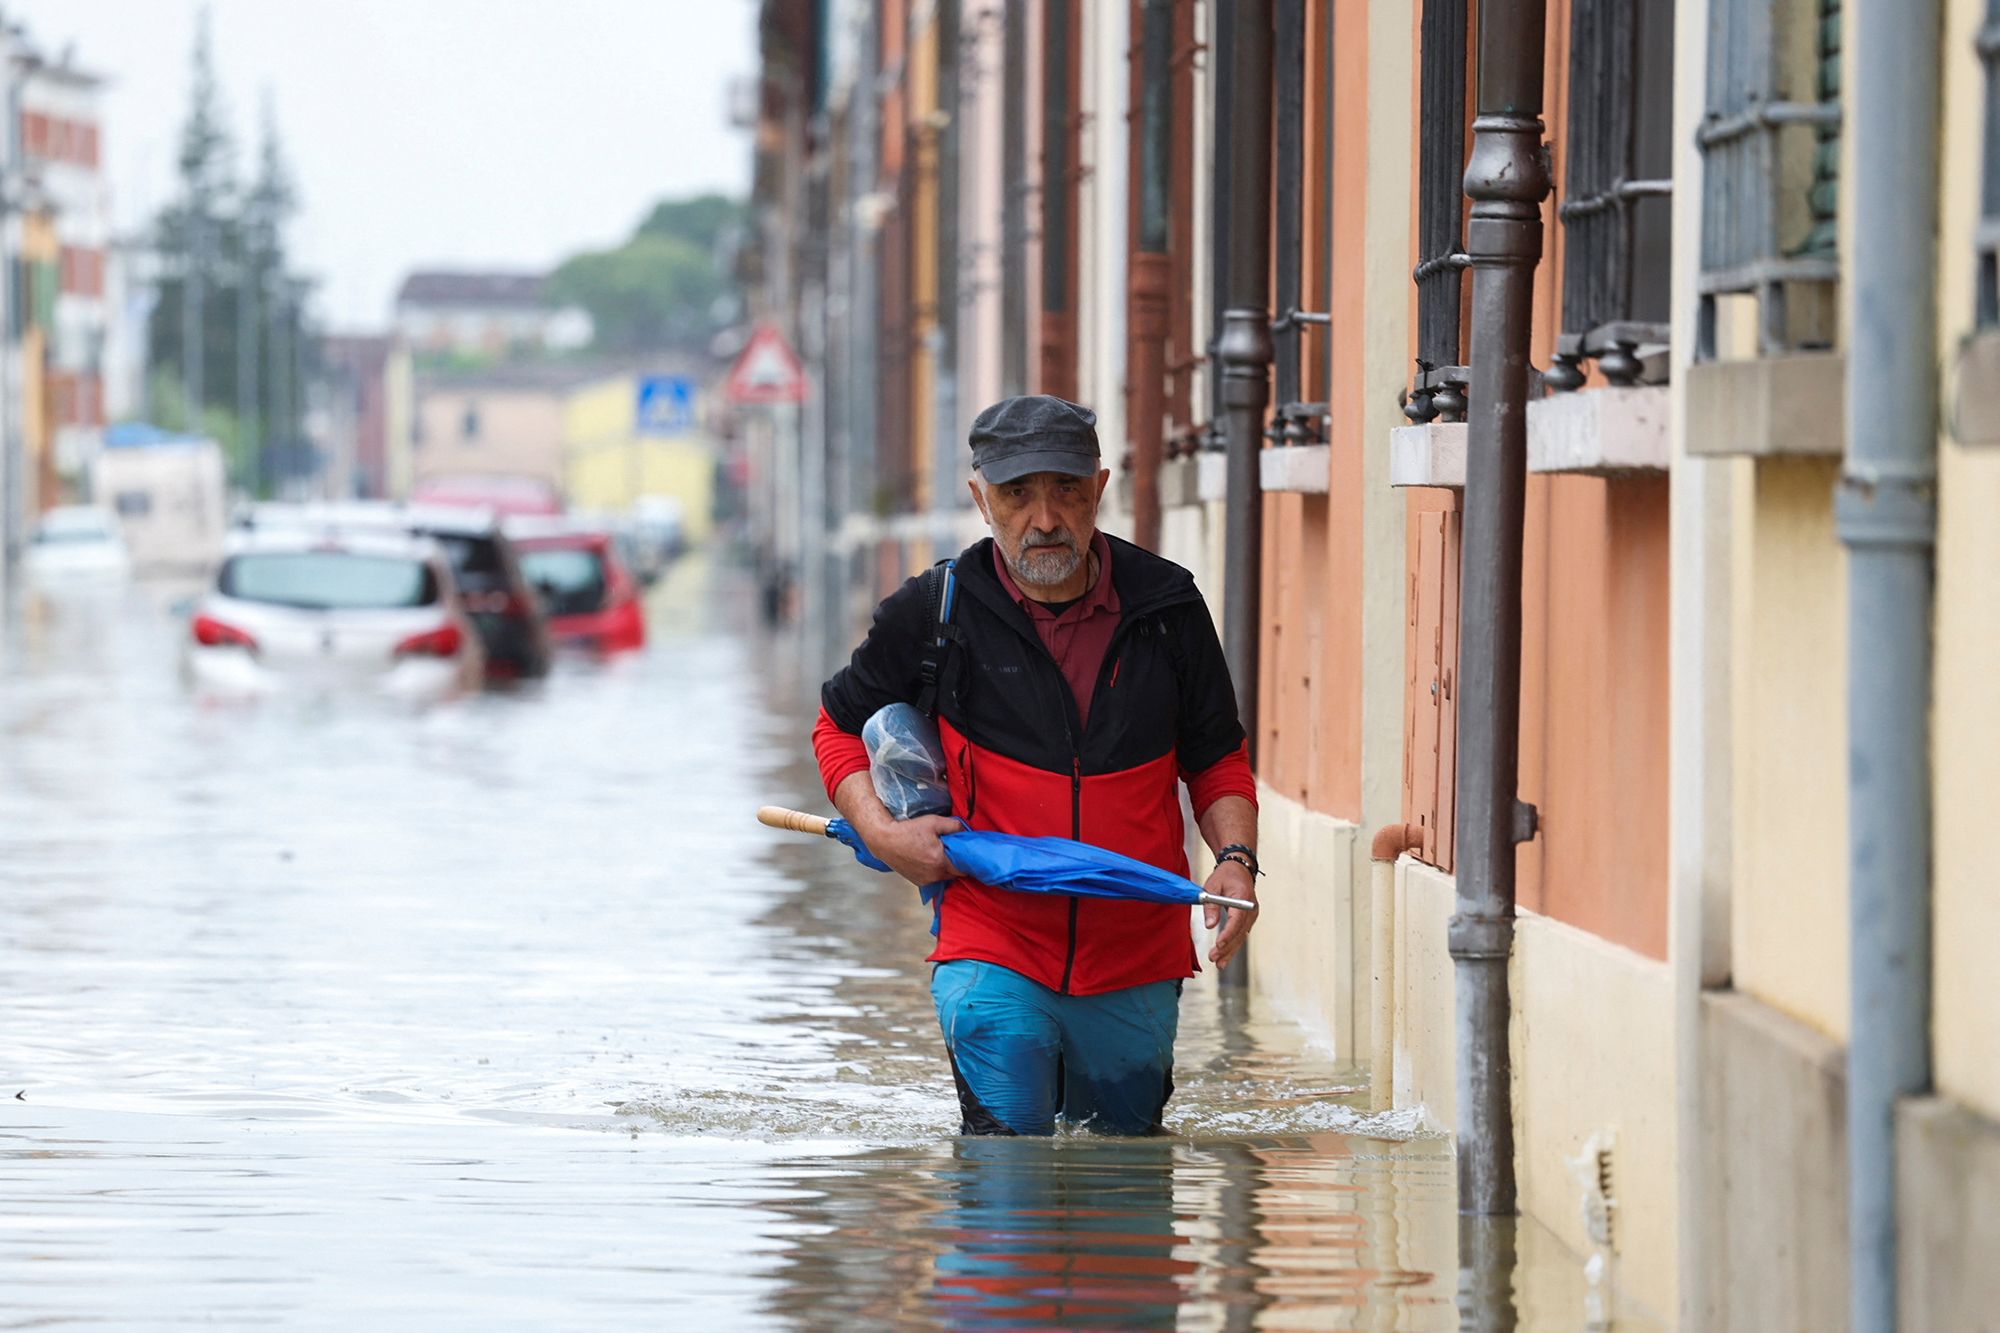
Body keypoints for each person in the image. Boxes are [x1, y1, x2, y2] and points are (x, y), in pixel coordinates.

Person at [812, 394, 1261, 1137]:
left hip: (1137, 952)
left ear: (1101, 489)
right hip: (992, 943)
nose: (1045, 519)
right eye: (1018, 494)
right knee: (1005, 1183)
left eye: (1067, 491)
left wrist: (1236, 858)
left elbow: (1214, 755)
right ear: (981, 498)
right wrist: (886, 836)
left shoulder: (1169, 606)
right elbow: (836, 727)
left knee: (1126, 1190)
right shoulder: (935, 611)